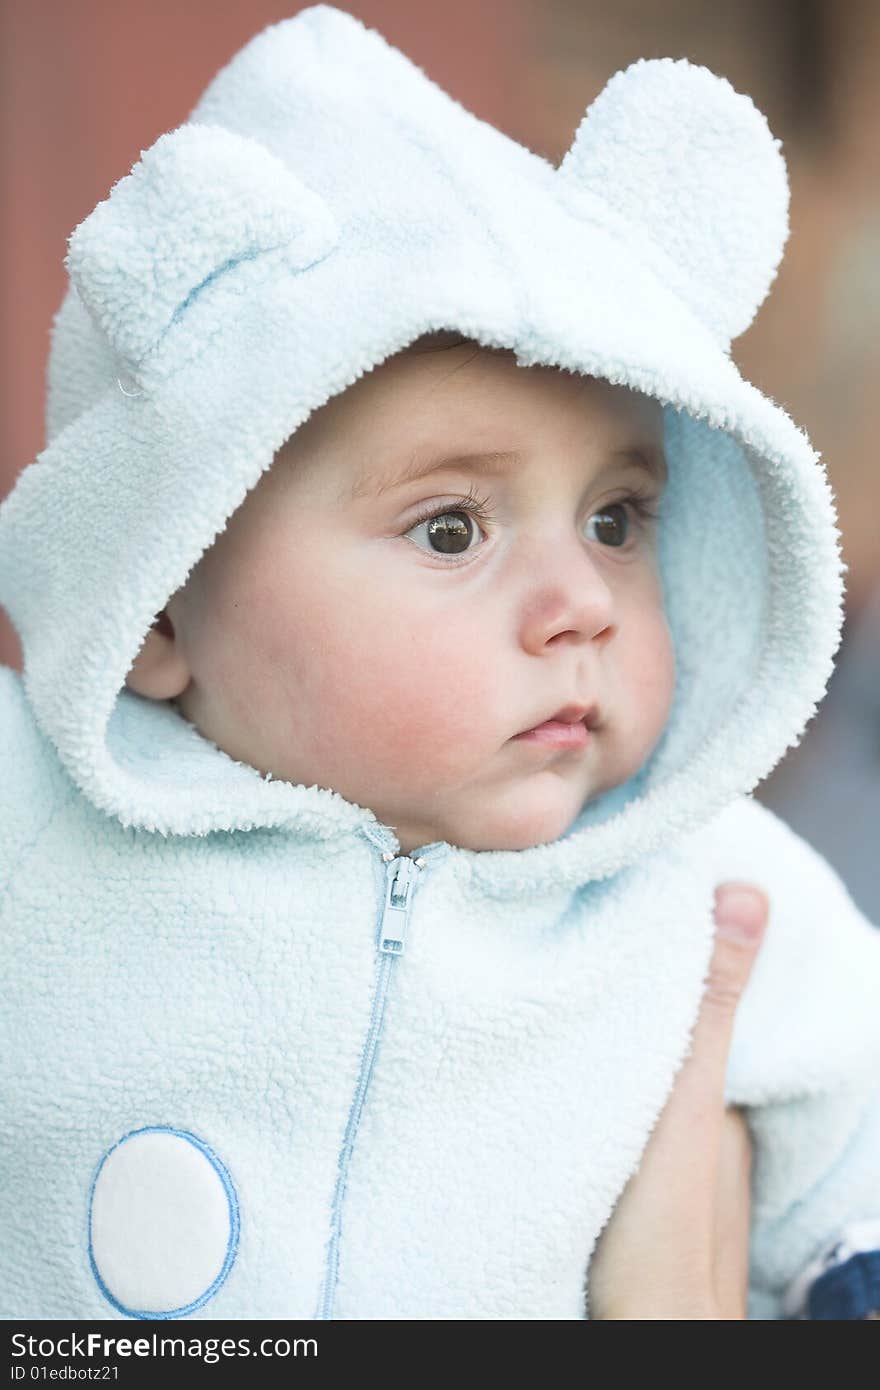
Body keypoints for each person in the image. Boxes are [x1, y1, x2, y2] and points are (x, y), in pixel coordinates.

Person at [0, 5, 878, 1321]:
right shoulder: (38, 825)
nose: (581, 601)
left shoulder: (708, 892)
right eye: (453, 527)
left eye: (619, 519)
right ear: (163, 599)